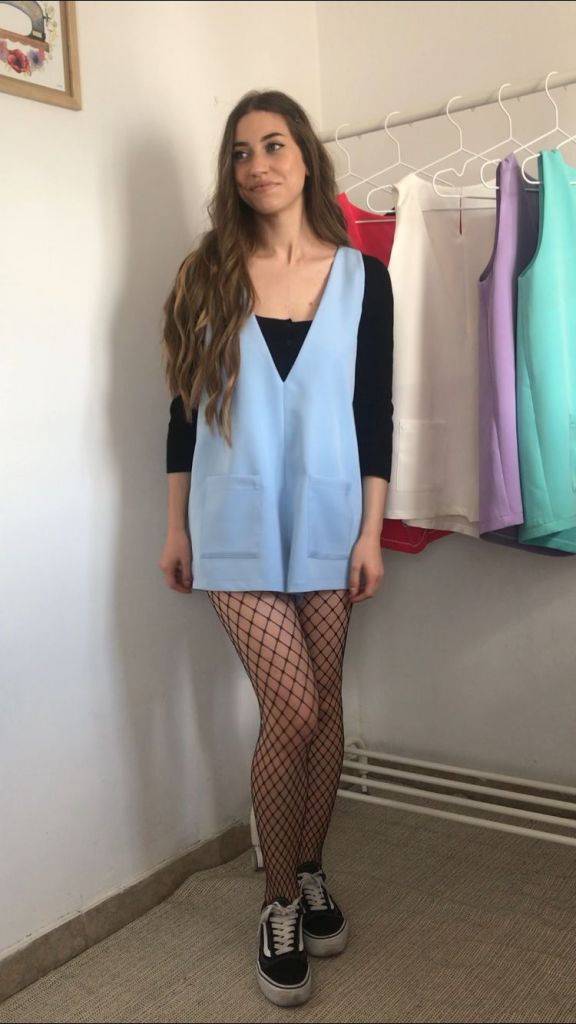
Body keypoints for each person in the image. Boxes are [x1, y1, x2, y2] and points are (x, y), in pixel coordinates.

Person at [159, 89, 393, 1008]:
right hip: (232, 520)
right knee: (291, 710)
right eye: (241, 151)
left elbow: (372, 411)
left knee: (324, 707)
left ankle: (312, 867)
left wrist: (373, 530)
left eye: (273, 145)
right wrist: (174, 526)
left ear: (305, 158)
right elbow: (184, 414)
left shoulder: (363, 277)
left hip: (334, 518)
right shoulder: (206, 274)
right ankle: (278, 901)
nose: (257, 164)